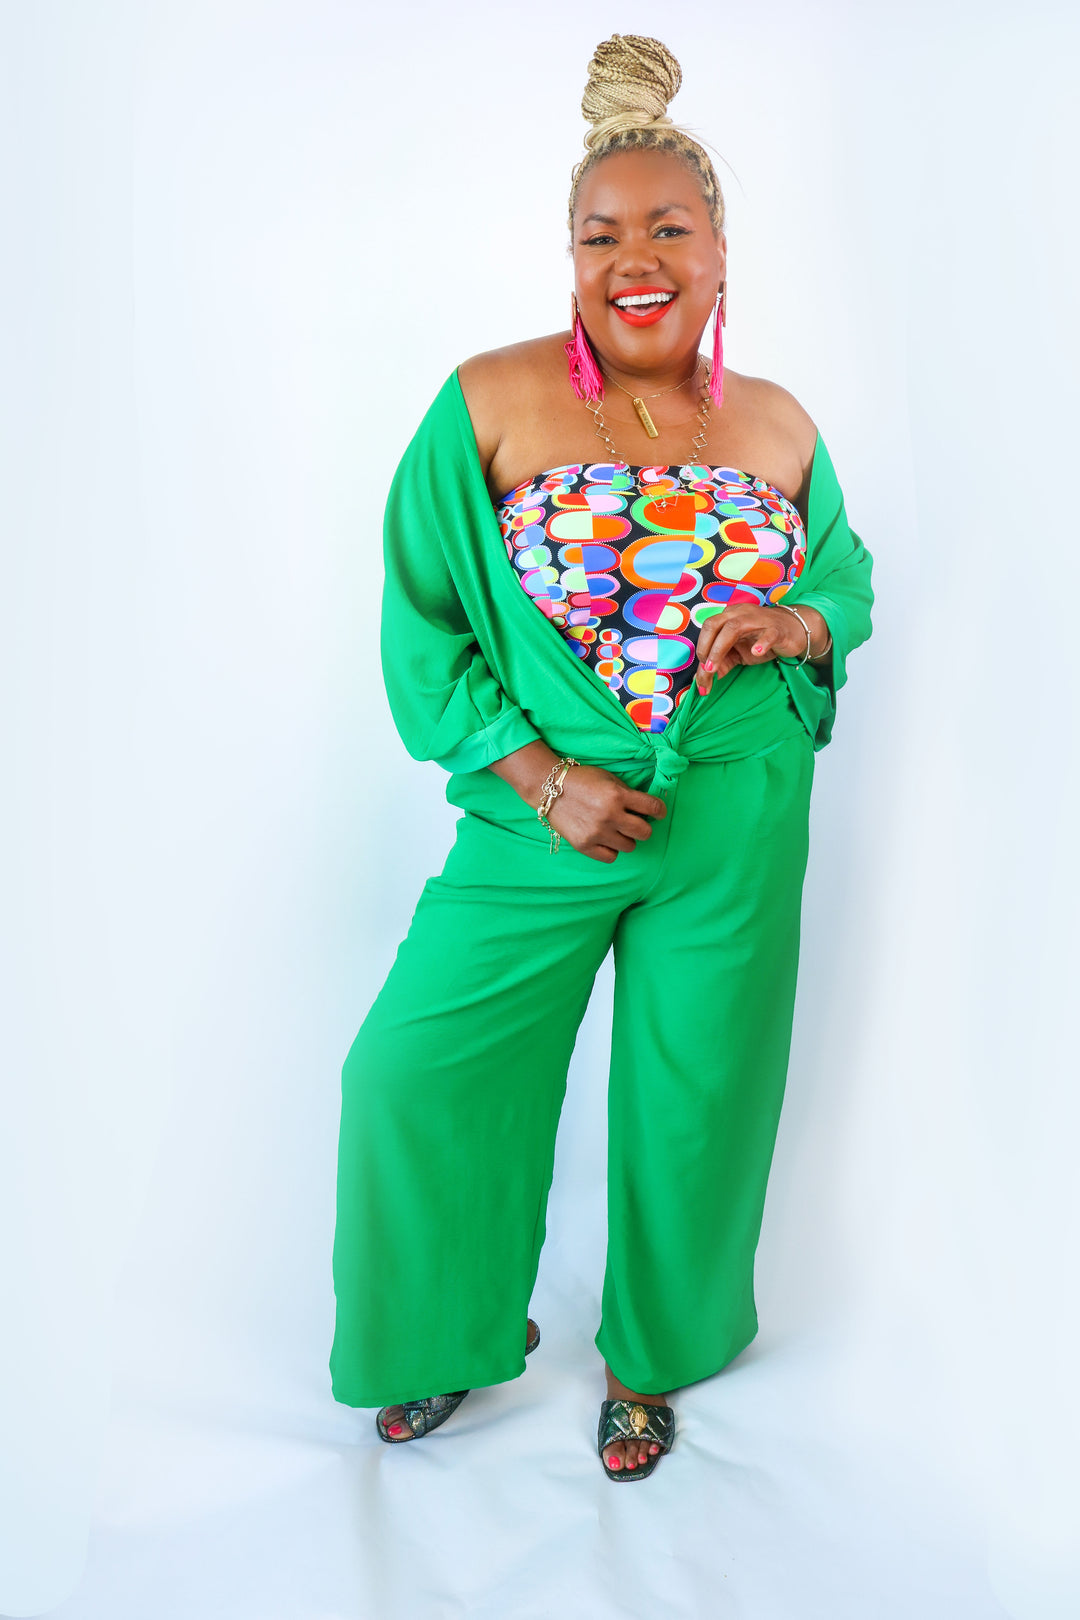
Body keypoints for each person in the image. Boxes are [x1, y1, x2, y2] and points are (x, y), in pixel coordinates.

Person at [329, 32, 873, 1482]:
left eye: (669, 229)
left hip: (735, 813)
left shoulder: (778, 423)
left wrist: (798, 621)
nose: (636, 259)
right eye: (600, 234)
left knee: (698, 1095)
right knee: (412, 1070)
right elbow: (425, 622)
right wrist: (542, 779)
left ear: (719, 253)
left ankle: (650, 1360)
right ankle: (441, 1333)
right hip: (545, 819)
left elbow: (844, 576)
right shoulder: (489, 401)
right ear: (569, 258)